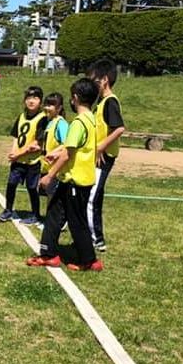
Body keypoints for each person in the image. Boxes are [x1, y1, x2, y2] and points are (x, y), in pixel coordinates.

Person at [26, 78, 102, 272]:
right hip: (75, 179)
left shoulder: (78, 122)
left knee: (77, 221)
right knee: (54, 214)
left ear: (75, 98)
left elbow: (69, 153)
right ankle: (48, 254)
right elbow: (74, 148)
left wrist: (49, 175)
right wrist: (56, 153)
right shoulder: (91, 119)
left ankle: (89, 260)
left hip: (75, 180)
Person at [86, 58, 125, 252]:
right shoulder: (100, 102)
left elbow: (119, 129)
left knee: (91, 197)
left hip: (104, 157)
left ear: (104, 80)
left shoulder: (110, 101)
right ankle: (96, 235)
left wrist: (101, 147)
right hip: (96, 155)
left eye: (94, 80)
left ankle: (94, 238)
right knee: (96, 196)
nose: (92, 85)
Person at [0, 86, 47, 225]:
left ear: (40, 101)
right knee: (11, 184)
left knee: (32, 188)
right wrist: (14, 152)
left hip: (32, 161)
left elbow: (37, 143)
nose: (31, 101)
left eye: (35, 98)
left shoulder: (42, 119)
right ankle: (8, 210)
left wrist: (18, 154)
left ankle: (36, 214)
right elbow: (16, 136)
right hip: (18, 160)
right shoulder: (22, 116)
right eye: (29, 98)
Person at [38, 92, 69, 199]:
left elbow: (67, 144)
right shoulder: (48, 122)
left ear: (59, 108)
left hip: (56, 168)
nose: (47, 108)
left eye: (50, 105)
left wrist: (54, 152)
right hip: (46, 166)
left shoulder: (61, 123)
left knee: (53, 198)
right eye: (46, 104)